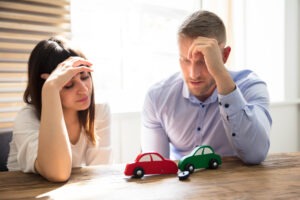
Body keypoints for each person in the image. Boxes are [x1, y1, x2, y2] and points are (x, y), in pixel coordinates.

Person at [141, 10, 272, 164]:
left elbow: (255, 154)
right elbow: (155, 168)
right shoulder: (157, 97)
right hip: (182, 185)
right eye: (185, 60)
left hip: (235, 185)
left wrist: (221, 75)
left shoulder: (251, 88)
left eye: (203, 61)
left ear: (224, 55)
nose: (193, 74)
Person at [7, 37, 112, 182]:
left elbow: (99, 172)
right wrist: (50, 89)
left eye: (85, 77)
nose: (84, 90)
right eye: (68, 84)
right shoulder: (27, 118)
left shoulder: (100, 110)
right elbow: (58, 173)